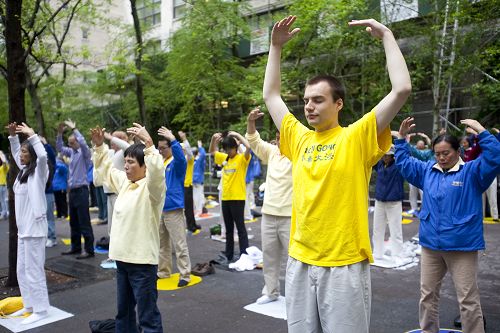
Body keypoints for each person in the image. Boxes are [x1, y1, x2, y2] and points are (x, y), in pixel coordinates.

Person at [263, 15, 411, 332]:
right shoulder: (297, 137)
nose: (309, 107)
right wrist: (275, 48)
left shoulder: (356, 137)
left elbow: (401, 89)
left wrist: (387, 36)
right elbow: (271, 96)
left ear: (338, 103)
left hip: (344, 263)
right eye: (305, 101)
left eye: (318, 100)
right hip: (300, 260)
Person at [394, 117, 500, 333]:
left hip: (462, 247)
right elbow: (404, 164)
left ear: (458, 151)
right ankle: (428, 331)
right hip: (431, 246)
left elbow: (495, 157)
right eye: (438, 153)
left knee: (468, 301)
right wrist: (402, 141)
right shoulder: (427, 171)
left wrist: (482, 132)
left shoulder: (472, 172)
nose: (441, 158)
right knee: (427, 296)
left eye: (446, 153)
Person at [91, 123, 165, 333]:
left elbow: (157, 174)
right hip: (122, 260)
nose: (126, 166)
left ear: (144, 166)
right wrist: (99, 147)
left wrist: (149, 144)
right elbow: (106, 171)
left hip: (142, 264)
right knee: (123, 314)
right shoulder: (126, 182)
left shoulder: (153, 190)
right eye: (125, 162)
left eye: (131, 162)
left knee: (147, 316)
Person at [245, 108, 293, 305]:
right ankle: (271, 291)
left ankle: (297, 295)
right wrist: (250, 122)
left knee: (294, 261)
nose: (281, 139)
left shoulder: (299, 155)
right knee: (270, 257)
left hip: (291, 215)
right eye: (278, 136)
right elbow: (254, 141)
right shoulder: (272, 152)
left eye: (285, 136)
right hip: (269, 213)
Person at [7, 122, 51, 325]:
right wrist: (13, 138)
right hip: (24, 231)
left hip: (35, 230)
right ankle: (30, 305)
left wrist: (32, 135)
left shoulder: (39, 173)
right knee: (22, 271)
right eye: (21, 151)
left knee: (34, 271)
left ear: (31, 154)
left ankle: (41, 310)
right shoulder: (23, 172)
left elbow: (42, 156)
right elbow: (16, 155)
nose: (21, 154)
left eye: (25, 151)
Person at [157, 127, 192, 287]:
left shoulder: (176, 163)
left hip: (173, 209)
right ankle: (163, 271)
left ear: (170, 147)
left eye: (163, 148)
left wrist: (173, 138)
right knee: (162, 244)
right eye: (159, 148)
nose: (161, 151)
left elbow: (181, 159)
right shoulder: (161, 163)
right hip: (160, 208)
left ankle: (185, 274)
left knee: (179, 243)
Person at [209, 131, 252, 263]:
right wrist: (213, 140)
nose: (228, 152)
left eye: (230, 149)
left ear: (235, 147)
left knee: (240, 228)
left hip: (237, 198)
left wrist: (237, 136)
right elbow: (212, 152)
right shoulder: (225, 158)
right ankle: (229, 254)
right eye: (226, 149)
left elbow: (249, 147)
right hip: (226, 198)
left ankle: (244, 253)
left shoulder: (241, 159)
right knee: (228, 229)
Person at [56, 119, 95, 259]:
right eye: (69, 143)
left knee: (84, 221)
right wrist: (60, 134)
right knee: (74, 222)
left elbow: (84, 143)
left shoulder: (84, 153)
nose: (70, 145)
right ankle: (76, 247)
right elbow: (59, 148)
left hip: (82, 190)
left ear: (77, 141)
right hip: (72, 191)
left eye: (72, 142)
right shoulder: (71, 152)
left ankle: (89, 249)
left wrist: (74, 129)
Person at [371, 145, 408, 265]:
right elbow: (372, 154)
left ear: (393, 156)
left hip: (394, 202)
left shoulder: (398, 166)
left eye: (387, 155)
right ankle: (377, 253)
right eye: (384, 155)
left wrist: (401, 144)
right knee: (377, 229)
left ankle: (397, 255)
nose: (385, 157)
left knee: (396, 230)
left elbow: (405, 156)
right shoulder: (379, 164)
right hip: (380, 201)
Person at [406, 132, 433, 215]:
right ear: (416, 145)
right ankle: (413, 208)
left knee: (423, 194)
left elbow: (431, 144)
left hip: (423, 176)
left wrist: (425, 136)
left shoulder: (427, 152)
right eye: (419, 143)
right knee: (412, 193)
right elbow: (408, 146)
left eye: (422, 143)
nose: (420, 144)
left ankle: (424, 209)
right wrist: (408, 138)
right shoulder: (413, 150)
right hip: (413, 174)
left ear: (424, 145)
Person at [178, 131, 201, 232]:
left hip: (187, 185)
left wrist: (184, 139)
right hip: (182, 186)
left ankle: (192, 224)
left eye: (183, 149)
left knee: (189, 208)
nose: (182, 151)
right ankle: (190, 225)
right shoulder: (178, 160)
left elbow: (190, 153)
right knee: (185, 208)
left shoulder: (189, 159)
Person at [192, 140, 207, 216]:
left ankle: (199, 210)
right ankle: (200, 209)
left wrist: (200, 147)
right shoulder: (194, 160)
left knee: (198, 196)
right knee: (197, 196)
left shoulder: (198, 161)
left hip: (198, 180)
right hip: (195, 180)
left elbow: (203, 155)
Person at [52, 155, 68, 219]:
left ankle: (64, 214)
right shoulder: (56, 169)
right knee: (57, 201)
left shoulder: (63, 167)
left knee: (62, 201)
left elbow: (63, 168)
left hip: (62, 187)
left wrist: (56, 162)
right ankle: (59, 214)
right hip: (55, 188)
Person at [0, 150, 9, 220]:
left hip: (4, 185)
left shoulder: (4, 166)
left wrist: (1, 155)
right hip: (0, 185)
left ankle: (7, 212)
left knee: (5, 200)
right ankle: (3, 212)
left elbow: (5, 164)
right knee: (1, 200)